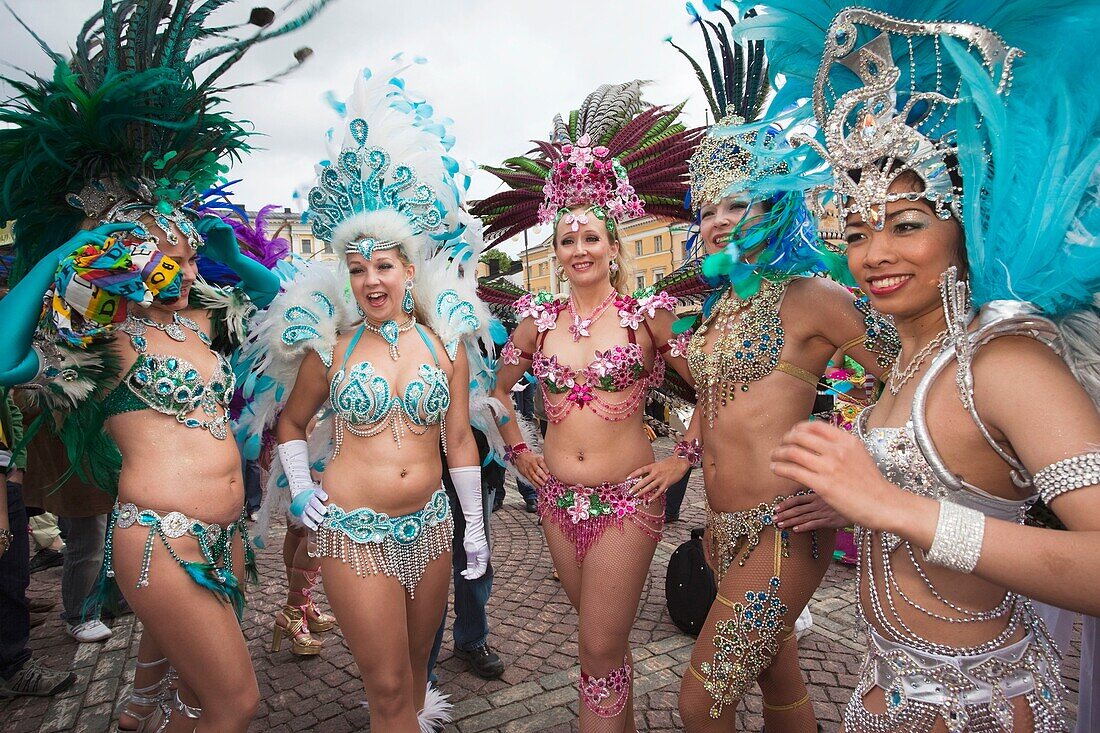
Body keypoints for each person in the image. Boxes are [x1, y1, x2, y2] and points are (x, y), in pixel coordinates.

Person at [750, 2, 1100, 730]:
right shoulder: (909, 363)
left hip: (980, 708)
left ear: (963, 224)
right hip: (886, 692)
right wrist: (856, 499)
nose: (875, 253)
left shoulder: (1002, 361)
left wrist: (892, 506)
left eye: (907, 224)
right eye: (857, 230)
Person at [0, 3, 327, 729]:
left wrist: (237, 259)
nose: (177, 260)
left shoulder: (202, 318)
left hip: (225, 533)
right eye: (159, 250)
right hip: (160, 534)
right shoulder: (102, 333)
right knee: (236, 703)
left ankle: (141, 708)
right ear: (118, 260)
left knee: (189, 698)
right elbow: (2, 356)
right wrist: (60, 253)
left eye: (182, 252)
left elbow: (297, 317)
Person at [247, 66, 497, 732]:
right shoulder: (329, 344)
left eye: (383, 264)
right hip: (354, 532)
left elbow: (460, 438)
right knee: (385, 685)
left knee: (416, 676)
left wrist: (473, 522)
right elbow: (294, 422)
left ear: (409, 267)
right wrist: (300, 488)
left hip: (433, 525)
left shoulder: (447, 339)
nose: (370, 279)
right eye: (356, 267)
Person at [666, 8, 896, 730]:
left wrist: (851, 481)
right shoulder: (714, 310)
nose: (718, 220)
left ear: (773, 201)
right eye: (706, 208)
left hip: (786, 529)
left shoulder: (812, 297)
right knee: (778, 681)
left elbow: (912, 377)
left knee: (700, 704)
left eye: (736, 201)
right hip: (721, 526)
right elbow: (717, 401)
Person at [474, 81, 703, 730]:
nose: (579, 250)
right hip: (554, 501)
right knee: (603, 642)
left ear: (612, 244)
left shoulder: (648, 317)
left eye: (590, 238)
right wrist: (517, 449)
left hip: (627, 499)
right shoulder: (534, 321)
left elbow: (709, 388)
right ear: (557, 250)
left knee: (596, 648)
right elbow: (494, 395)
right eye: (567, 240)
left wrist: (682, 458)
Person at [0, 386, 76, 698]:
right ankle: (14, 666)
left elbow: (8, 408)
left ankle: (12, 662)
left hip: (7, 475)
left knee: (11, 578)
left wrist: (16, 467)